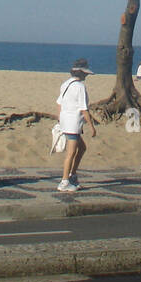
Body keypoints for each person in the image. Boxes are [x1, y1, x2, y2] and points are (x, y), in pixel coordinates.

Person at [57, 58, 98, 192]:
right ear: (81, 73)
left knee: (81, 148)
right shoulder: (80, 87)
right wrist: (92, 126)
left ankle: (72, 175)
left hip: (66, 121)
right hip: (73, 123)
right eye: (85, 73)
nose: (86, 75)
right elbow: (83, 109)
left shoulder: (65, 84)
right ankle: (64, 181)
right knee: (71, 152)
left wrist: (60, 119)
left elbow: (59, 103)